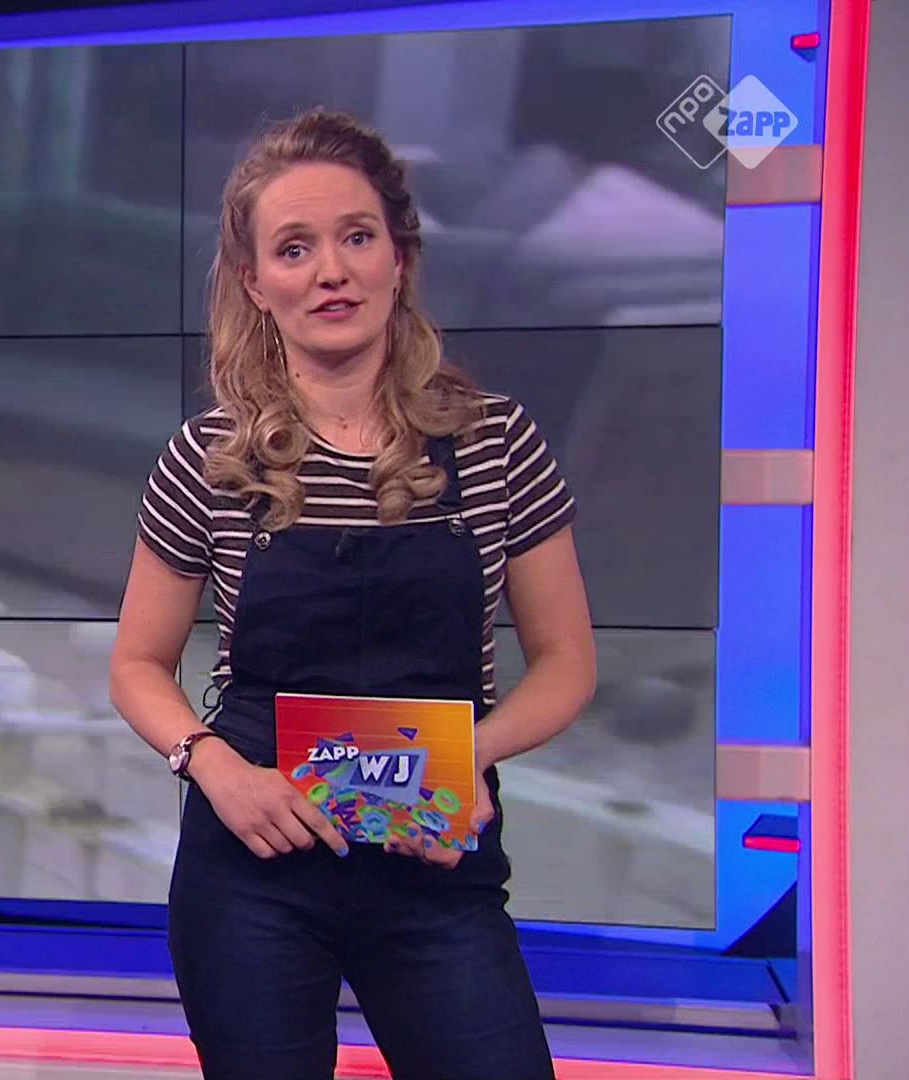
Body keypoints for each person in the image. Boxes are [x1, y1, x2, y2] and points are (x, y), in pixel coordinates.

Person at [109, 108, 596, 1080]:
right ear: (256, 282)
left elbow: (567, 662)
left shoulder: (498, 443)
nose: (330, 271)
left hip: (434, 872)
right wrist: (214, 768)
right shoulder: (208, 460)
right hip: (254, 866)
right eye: (294, 249)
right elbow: (137, 663)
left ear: (399, 258)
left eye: (356, 237)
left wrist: (460, 758)